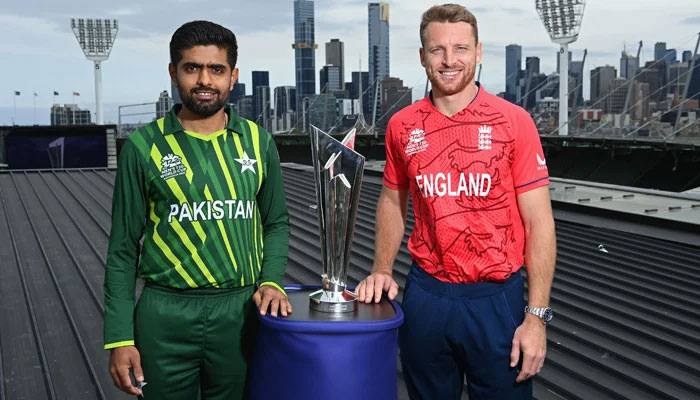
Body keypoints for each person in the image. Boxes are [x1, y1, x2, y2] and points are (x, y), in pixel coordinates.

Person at [356, 4, 556, 399]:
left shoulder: (513, 121)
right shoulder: (402, 125)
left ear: (478, 52)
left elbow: (539, 223)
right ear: (422, 56)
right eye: (437, 50)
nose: (450, 60)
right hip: (427, 295)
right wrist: (381, 268)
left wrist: (536, 318)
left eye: (461, 49)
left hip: (495, 298)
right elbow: (392, 202)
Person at [104, 20, 291, 399]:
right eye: (192, 68)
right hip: (165, 313)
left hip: (240, 311)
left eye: (216, 69)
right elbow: (122, 249)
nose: (205, 80)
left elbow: (277, 223)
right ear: (174, 73)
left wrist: (271, 280)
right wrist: (119, 337)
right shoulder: (142, 147)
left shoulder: (259, 142)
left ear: (233, 76)